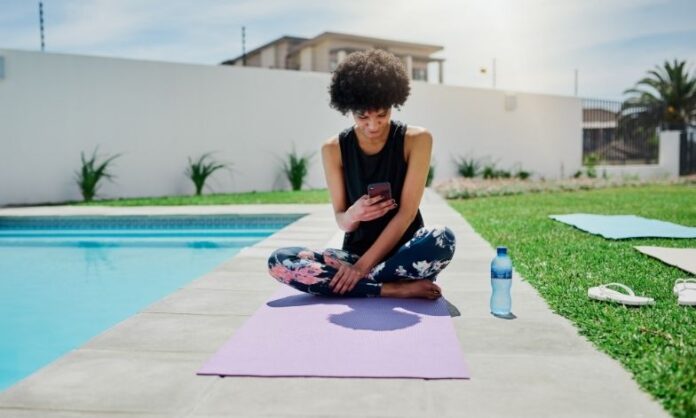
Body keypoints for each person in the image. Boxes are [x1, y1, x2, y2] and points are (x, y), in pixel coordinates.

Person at [267, 49, 456, 299]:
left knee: (443, 238)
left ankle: (354, 284)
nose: (373, 125)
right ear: (349, 108)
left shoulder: (417, 140)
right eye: (362, 116)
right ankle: (389, 289)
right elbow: (341, 220)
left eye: (382, 114)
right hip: (357, 258)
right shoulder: (333, 149)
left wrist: (360, 269)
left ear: (393, 104)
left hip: (405, 255)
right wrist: (354, 214)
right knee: (280, 261)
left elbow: (406, 213)